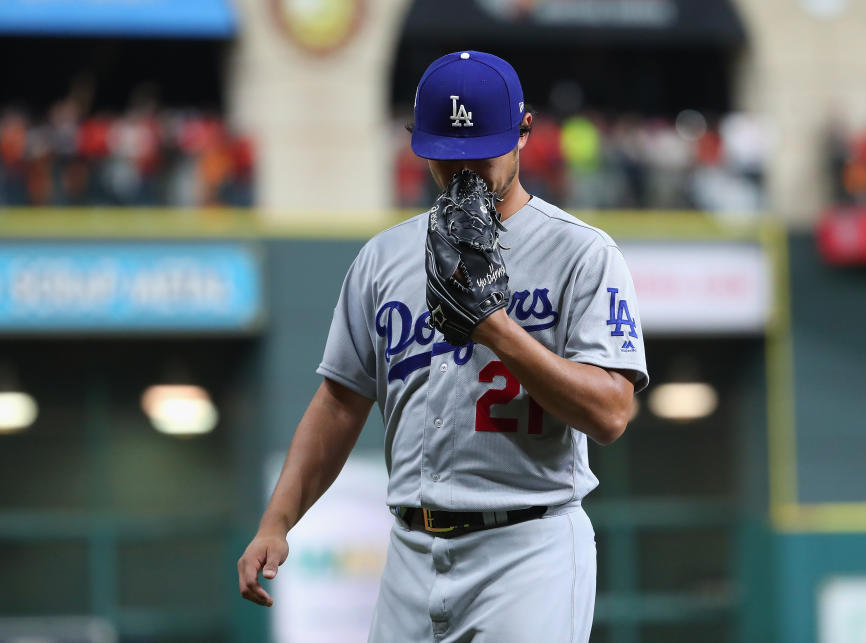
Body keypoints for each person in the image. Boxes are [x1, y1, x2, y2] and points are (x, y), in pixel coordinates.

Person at [237, 50, 649, 642]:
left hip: (528, 547)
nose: (463, 170)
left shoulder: (583, 254)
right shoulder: (382, 259)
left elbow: (611, 412)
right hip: (410, 548)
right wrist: (276, 523)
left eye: (480, 151)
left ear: (524, 133)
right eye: (445, 154)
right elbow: (339, 402)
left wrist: (498, 330)